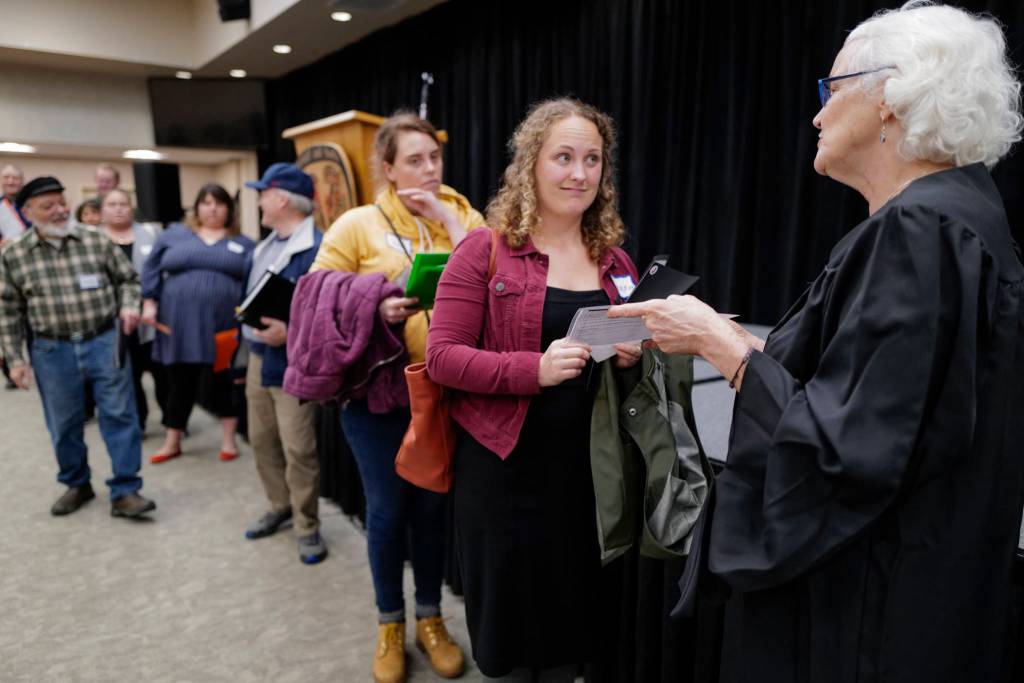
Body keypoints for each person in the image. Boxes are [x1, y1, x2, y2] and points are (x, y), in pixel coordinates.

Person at [610, 5, 1024, 682]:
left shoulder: (917, 234)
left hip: (866, 612)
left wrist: (721, 345)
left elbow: (848, 449)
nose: (818, 115)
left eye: (832, 91)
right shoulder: (965, 220)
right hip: (939, 589)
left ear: (890, 98)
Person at [426, 98, 643, 682]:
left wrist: (629, 359)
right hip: (506, 476)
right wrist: (533, 370)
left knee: (576, 637)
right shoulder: (484, 249)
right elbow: (441, 357)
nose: (579, 173)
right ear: (531, 165)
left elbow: (621, 369)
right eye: (564, 157)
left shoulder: (615, 261)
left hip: (591, 480)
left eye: (592, 159)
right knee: (516, 647)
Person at [310, 111, 483, 683]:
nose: (429, 169)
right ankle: (390, 622)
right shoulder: (356, 224)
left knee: (433, 508)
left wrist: (447, 224)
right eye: (414, 160)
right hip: (379, 394)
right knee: (388, 511)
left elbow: (496, 277)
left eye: (434, 157)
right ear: (386, 169)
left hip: (447, 392)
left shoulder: (461, 213)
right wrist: (375, 306)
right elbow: (316, 297)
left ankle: (431, 619)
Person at [0, 176, 156, 518]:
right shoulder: (15, 255)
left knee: (119, 414)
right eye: (48, 206)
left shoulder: (95, 240)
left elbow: (128, 280)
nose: (59, 210)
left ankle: (126, 490)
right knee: (64, 423)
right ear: (27, 212)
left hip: (103, 341)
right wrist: (14, 360)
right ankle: (76, 483)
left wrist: (130, 306)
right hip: (50, 350)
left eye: (62, 202)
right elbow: (8, 312)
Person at [239, 163, 326, 564]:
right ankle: (279, 505)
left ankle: (307, 525)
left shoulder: (320, 249)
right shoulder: (264, 246)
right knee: (262, 440)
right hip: (259, 358)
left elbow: (330, 316)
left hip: (295, 363)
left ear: (281, 199)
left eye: (263, 193)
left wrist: (290, 332)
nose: (258, 201)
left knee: (298, 448)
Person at [141, 183, 253, 464]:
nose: (212, 208)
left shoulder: (244, 243)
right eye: (205, 202)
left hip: (223, 325)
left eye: (218, 203)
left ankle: (229, 440)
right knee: (178, 382)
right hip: (179, 324)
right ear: (196, 208)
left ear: (229, 209)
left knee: (224, 381)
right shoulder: (175, 236)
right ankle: (172, 441)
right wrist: (149, 301)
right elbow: (151, 268)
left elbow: (253, 281)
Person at [100, 188, 166, 431]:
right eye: (112, 204)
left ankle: (172, 420)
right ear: (102, 210)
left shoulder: (151, 233)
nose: (118, 209)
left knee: (161, 371)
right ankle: (138, 421)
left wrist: (153, 302)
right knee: (128, 374)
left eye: (123, 204)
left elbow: (164, 270)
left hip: (152, 314)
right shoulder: (94, 239)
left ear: (131, 207)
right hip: (114, 320)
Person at [1, 163, 28, 244]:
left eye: (15, 178)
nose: (10, 182)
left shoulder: (32, 205)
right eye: (6, 178)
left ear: (22, 181)